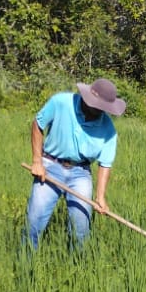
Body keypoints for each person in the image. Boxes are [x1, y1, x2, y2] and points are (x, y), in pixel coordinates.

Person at [25, 78, 125, 249]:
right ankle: (25, 265)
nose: (97, 110)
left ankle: (77, 267)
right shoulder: (61, 102)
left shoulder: (108, 129)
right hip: (50, 166)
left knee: (81, 227)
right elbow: (38, 124)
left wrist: (100, 197)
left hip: (81, 173)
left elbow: (105, 164)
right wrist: (37, 161)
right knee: (34, 222)